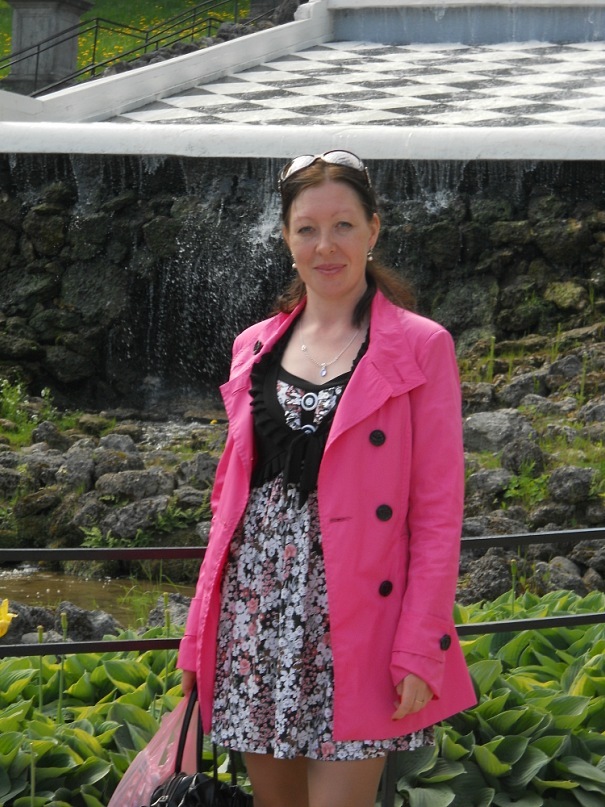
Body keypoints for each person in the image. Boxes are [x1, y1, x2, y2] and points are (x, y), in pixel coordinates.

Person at [178, 150, 476, 807]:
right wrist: (199, 635)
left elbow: (436, 513)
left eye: (342, 225)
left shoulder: (422, 345)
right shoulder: (253, 345)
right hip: (255, 613)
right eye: (307, 228)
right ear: (286, 238)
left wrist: (421, 645)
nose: (325, 245)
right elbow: (227, 504)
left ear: (373, 230)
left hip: (357, 616)